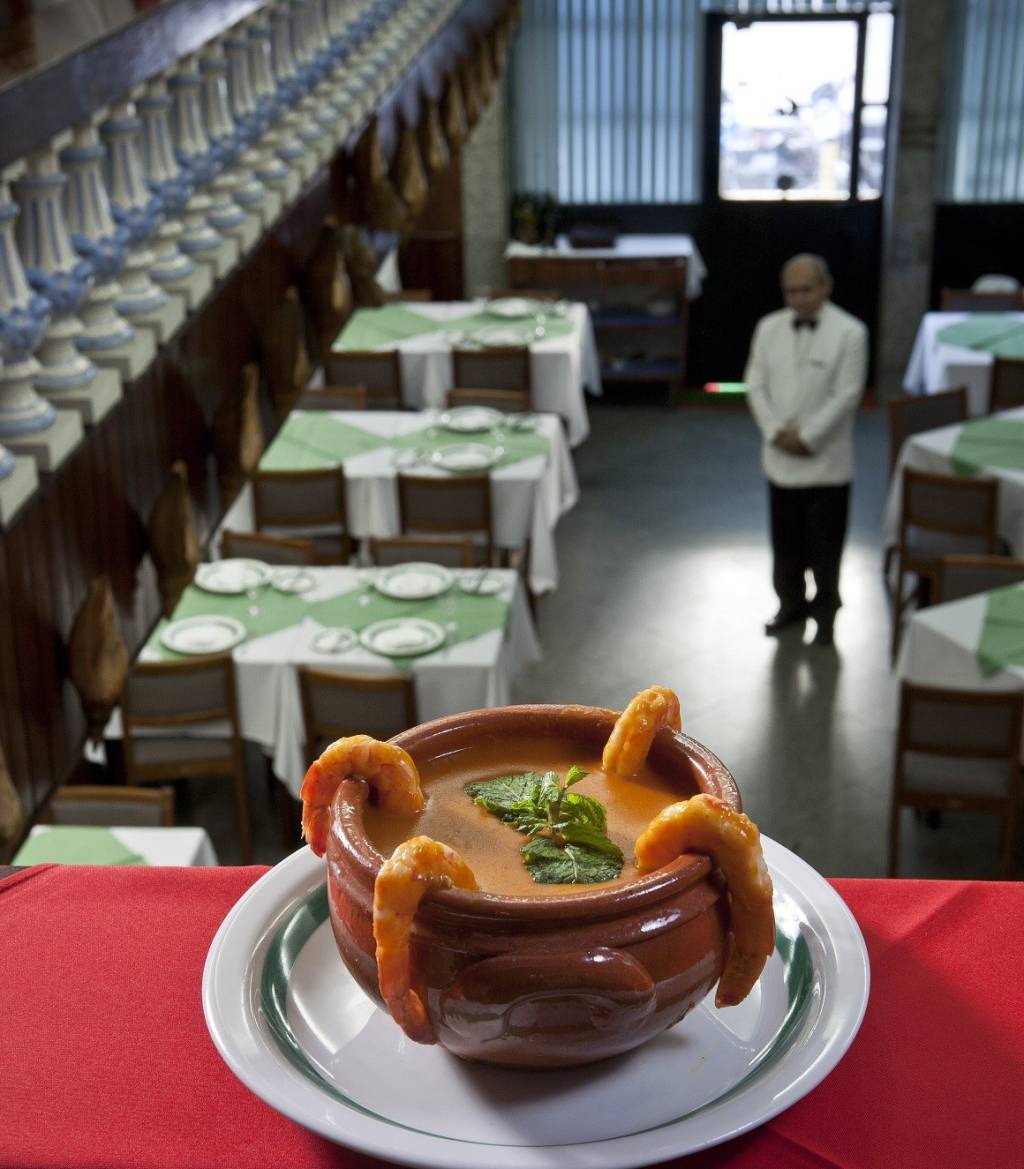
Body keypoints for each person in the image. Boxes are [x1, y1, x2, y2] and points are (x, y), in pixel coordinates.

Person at [744, 254, 868, 647]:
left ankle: (826, 618)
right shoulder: (768, 327)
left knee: (826, 551)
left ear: (826, 287)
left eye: (806, 290)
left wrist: (808, 437)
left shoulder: (851, 332)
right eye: (791, 291)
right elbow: (755, 383)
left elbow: (846, 395)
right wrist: (777, 432)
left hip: (827, 465)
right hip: (779, 460)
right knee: (785, 548)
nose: (797, 298)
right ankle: (790, 606)